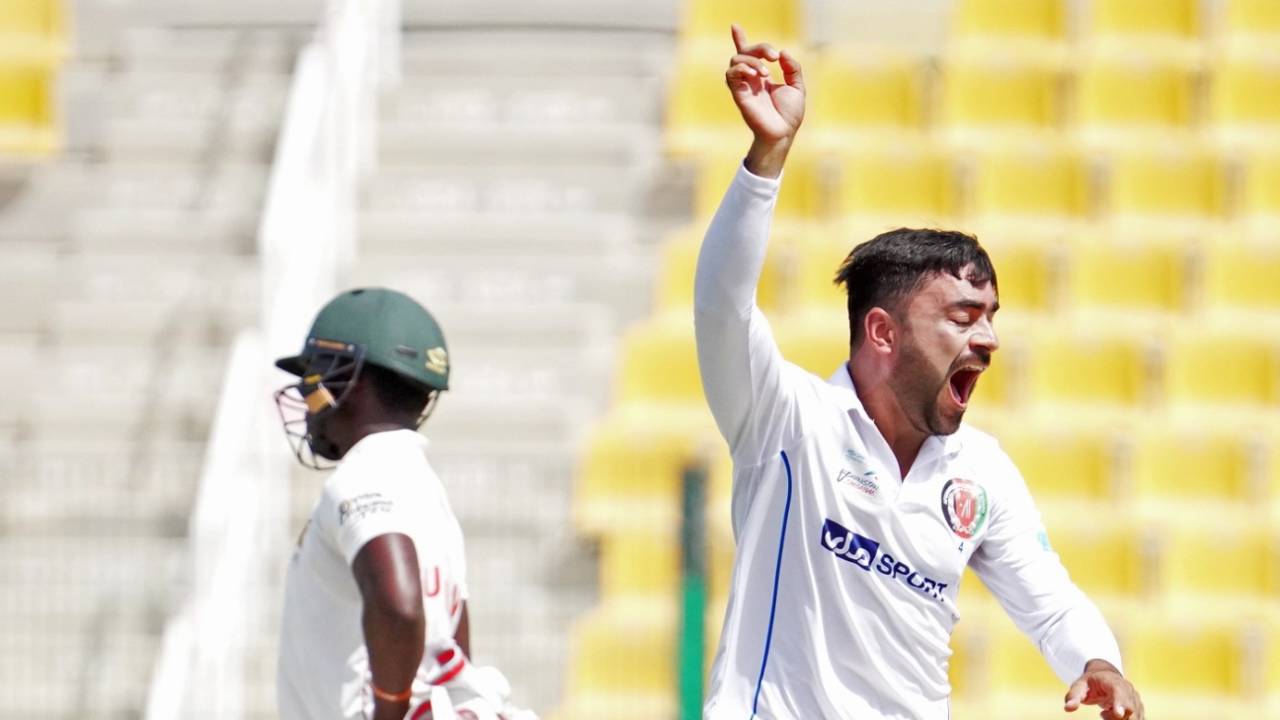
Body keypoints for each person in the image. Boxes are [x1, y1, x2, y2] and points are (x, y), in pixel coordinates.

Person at [693, 26, 1145, 720]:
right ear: (883, 331)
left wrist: (1100, 664)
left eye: (992, 315)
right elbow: (723, 304)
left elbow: (1050, 605)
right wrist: (767, 157)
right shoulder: (786, 420)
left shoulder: (982, 472)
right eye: (964, 317)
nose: (990, 338)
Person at [273, 287, 534, 720]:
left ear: (350, 380)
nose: (304, 396)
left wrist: (388, 712)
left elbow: (398, 603)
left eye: (312, 376)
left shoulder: (363, 474)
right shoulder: (429, 494)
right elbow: (457, 648)